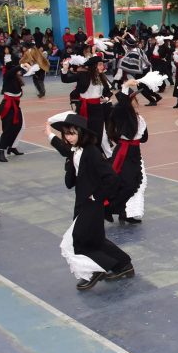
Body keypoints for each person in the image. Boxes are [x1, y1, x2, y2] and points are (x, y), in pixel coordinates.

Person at [46, 113, 133, 290]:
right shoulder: (75, 148)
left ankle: (96, 270)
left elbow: (112, 179)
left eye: (71, 133)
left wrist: (97, 196)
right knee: (96, 240)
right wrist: (49, 134)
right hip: (82, 201)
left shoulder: (92, 152)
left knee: (78, 240)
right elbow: (64, 148)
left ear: (81, 134)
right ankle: (124, 265)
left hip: (92, 203)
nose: (68, 138)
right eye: (66, 134)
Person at [105, 84, 148, 224]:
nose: (137, 100)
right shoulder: (121, 114)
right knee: (125, 184)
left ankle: (125, 212)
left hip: (135, 153)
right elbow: (122, 106)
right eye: (134, 97)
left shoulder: (139, 118)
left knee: (135, 184)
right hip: (124, 153)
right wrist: (124, 89)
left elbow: (144, 138)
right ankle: (108, 209)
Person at [0, 55, 30, 163]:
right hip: (7, 105)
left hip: (15, 105)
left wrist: (29, 65)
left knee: (19, 126)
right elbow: (12, 71)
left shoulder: (16, 79)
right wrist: (20, 65)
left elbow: (25, 71)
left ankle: (12, 146)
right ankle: (0, 152)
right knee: (7, 129)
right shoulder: (7, 76)